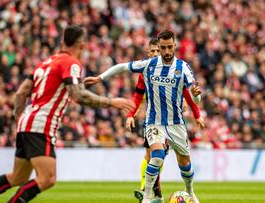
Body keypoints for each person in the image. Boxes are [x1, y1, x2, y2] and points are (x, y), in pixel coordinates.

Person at [0, 25, 135, 203]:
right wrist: (112, 102)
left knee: (17, 177)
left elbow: (21, 92)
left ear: (63, 41)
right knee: (47, 178)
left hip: (28, 121)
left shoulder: (46, 62)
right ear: (81, 45)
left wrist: (21, 120)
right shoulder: (71, 63)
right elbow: (78, 95)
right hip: (41, 124)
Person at [84, 30, 201, 203]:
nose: (167, 52)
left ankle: (190, 191)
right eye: (163, 48)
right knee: (157, 155)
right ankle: (146, 197)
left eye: (170, 47)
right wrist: (100, 78)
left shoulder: (183, 68)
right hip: (154, 122)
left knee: (184, 161)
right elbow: (122, 66)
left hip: (176, 123)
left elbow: (195, 98)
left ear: (175, 46)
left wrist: (196, 95)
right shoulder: (149, 64)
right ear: (158, 48)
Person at [125, 39, 204, 203]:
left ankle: (159, 194)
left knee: (176, 158)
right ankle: (152, 193)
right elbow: (138, 95)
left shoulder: (176, 69)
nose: (156, 54)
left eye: (157, 51)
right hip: (154, 121)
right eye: (152, 51)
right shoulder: (146, 70)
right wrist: (131, 114)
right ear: (148, 53)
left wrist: (196, 113)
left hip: (174, 121)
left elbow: (188, 94)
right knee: (153, 155)